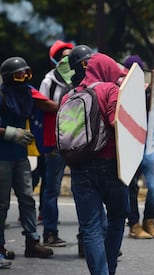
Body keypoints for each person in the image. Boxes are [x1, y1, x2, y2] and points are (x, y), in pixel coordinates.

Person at [64, 52, 129, 275]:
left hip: (79, 168)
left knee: (90, 228)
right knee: (117, 218)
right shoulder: (110, 89)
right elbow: (116, 121)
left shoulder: (69, 96)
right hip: (110, 165)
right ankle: (109, 270)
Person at [0, 56, 56, 261]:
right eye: (19, 74)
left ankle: (32, 242)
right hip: (2, 157)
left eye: (26, 73)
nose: (23, 77)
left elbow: (50, 106)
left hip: (21, 155)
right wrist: (10, 133)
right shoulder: (1, 95)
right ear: (9, 77)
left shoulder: (28, 93)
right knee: (2, 204)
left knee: (27, 199)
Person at [38, 39, 74, 247]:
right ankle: (50, 233)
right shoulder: (49, 80)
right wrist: (66, 104)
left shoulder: (81, 79)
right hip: (55, 142)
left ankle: (85, 237)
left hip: (78, 143)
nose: (68, 60)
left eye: (72, 56)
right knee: (52, 189)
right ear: (55, 60)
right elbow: (42, 104)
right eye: (64, 57)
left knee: (82, 189)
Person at [123, 55, 154, 239]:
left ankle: (149, 219)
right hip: (131, 145)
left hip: (149, 146)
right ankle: (134, 224)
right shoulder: (120, 90)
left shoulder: (147, 91)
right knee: (132, 187)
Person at [67, 44, 93, 257]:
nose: (90, 67)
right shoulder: (71, 93)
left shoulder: (101, 86)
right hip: (80, 154)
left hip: (97, 153)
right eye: (86, 63)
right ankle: (85, 241)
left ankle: (93, 242)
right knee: (86, 206)